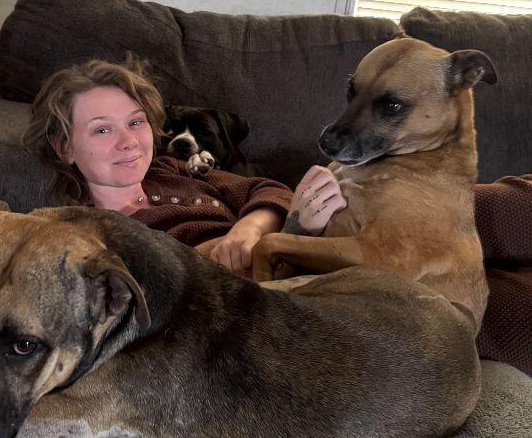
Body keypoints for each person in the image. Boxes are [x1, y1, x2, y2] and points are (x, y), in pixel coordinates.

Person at [23, 54, 345, 277]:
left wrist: (251, 227)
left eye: (136, 122)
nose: (129, 141)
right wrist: (223, 251)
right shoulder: (85, 231)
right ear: (65, 147)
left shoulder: (173, 170)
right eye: (103, 129)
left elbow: (266, 188)